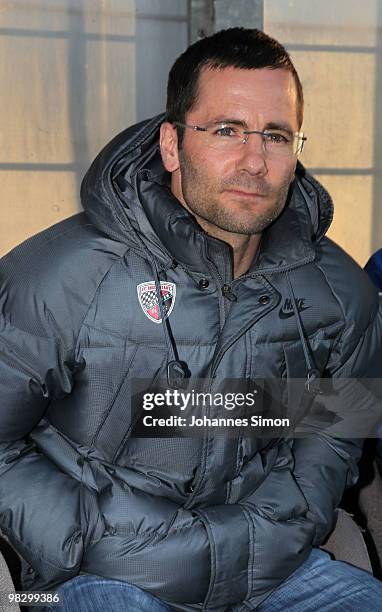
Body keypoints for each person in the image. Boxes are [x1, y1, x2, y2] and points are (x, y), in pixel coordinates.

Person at [0, 27, 381, 612]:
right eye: (227, 130)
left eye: (275, 135)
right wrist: (98, 542)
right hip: (93, 569)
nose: (255, 161)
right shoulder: (55, 280)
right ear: (172, 145)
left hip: (269, 568)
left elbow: (333, 434)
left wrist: (268, 537)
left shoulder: (342, 294)